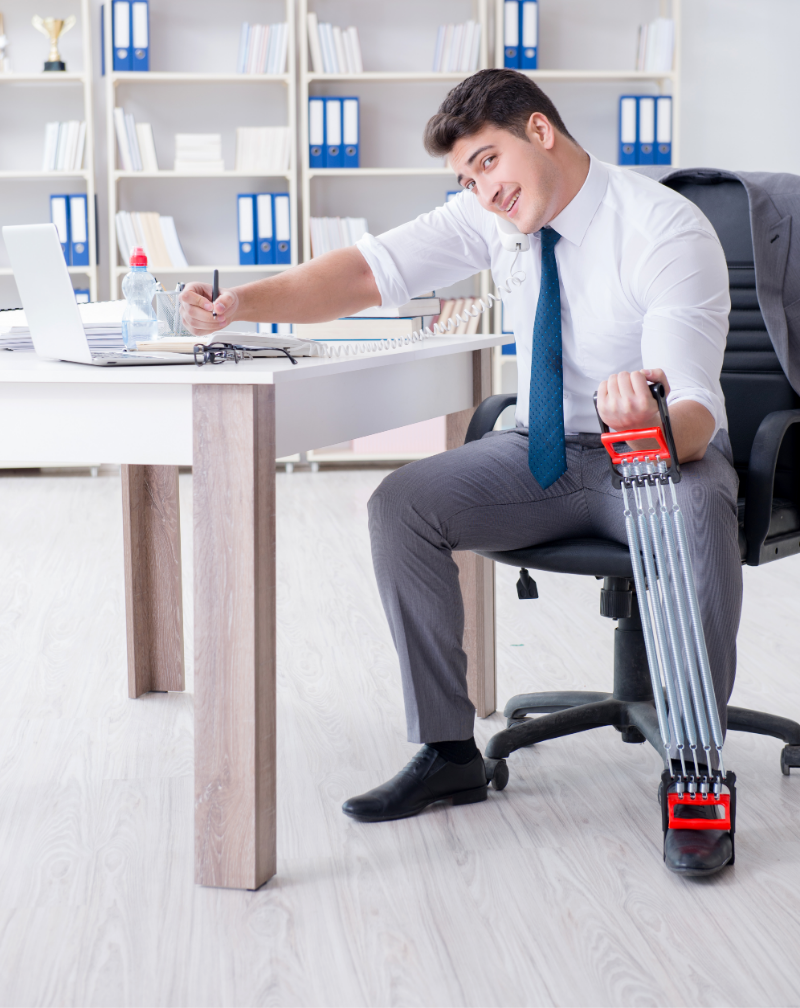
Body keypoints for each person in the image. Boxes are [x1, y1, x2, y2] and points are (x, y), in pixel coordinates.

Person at [180, 69, 741, 877]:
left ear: (540, 131)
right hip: (544, 451)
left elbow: (695, 413)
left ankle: (694, 768)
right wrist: (243, 302)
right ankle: (449, 752)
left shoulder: (663, 230)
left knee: (690, 515)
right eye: (466, 177)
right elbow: (361, 275)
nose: (482, 189)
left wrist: (645, 421)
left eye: (487, 161)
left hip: (653, 455)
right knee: (402, 505)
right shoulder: (495, 218)